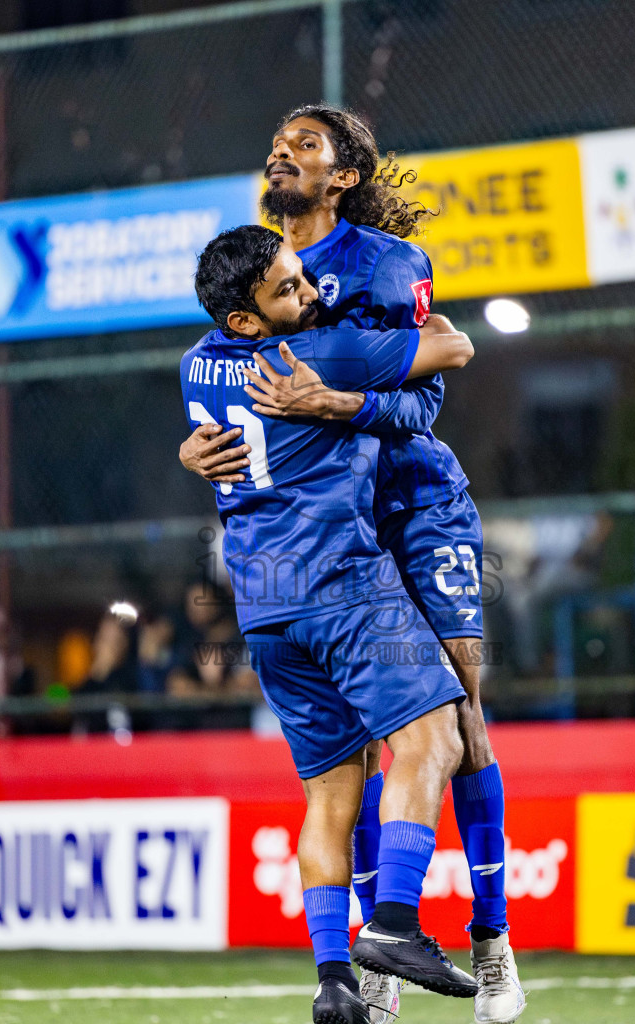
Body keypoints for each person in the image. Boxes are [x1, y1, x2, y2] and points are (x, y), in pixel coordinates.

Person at [178, 106, 523, 1024]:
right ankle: (384, 944)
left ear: (343, 176)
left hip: (406, 505)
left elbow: (427, 403)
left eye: (306, 145)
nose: (282, 151)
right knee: (416, 737)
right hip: (338, 554)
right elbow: (441, 345)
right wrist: (195, 449)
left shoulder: (384, 266)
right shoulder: (278, 287)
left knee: (460, 719)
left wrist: (335, 403)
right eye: (279, 141)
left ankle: (488, 940)